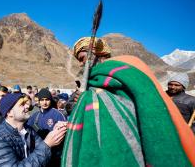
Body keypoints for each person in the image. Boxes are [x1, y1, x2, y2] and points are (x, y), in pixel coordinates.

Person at [61, 37, 195, 167]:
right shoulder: (92, 81)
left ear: (96, 53)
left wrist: (90, 99)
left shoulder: (127, 70)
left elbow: (144, 104)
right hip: (96, 144)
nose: (80, 63)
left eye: (82, 58)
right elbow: (71, 105)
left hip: (131, 141)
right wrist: (78, 103)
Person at [0, 93, 67, 166]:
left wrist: (55, 132)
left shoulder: (28, 130)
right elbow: (44, 147)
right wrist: (47, 144)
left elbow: (44, 153)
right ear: (9, 112)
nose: (27, 106)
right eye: (22, 104)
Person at [27, 88, 67, 167]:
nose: (44, 102)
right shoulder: (34, 116)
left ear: (50, 100)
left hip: (54, 156)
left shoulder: (57, 114)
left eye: (47, 100)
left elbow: (64, 136)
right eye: (42, 100)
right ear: (39, 101)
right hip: (38, 155)